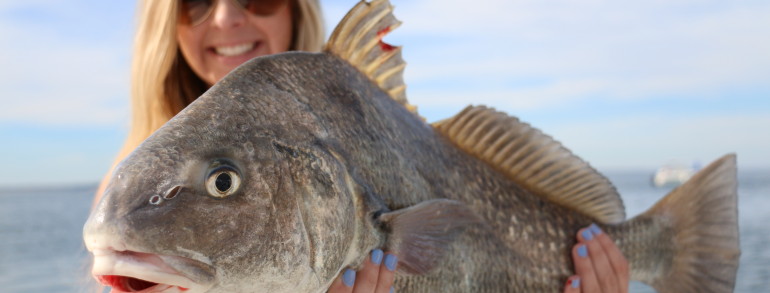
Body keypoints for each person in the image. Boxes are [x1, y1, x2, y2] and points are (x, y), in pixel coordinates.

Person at [94, 1, 628, 292]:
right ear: (166, 23)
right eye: (195, 2)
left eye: (223, 182)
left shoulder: (336, 105)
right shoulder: (130, 200)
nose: (230, 17)